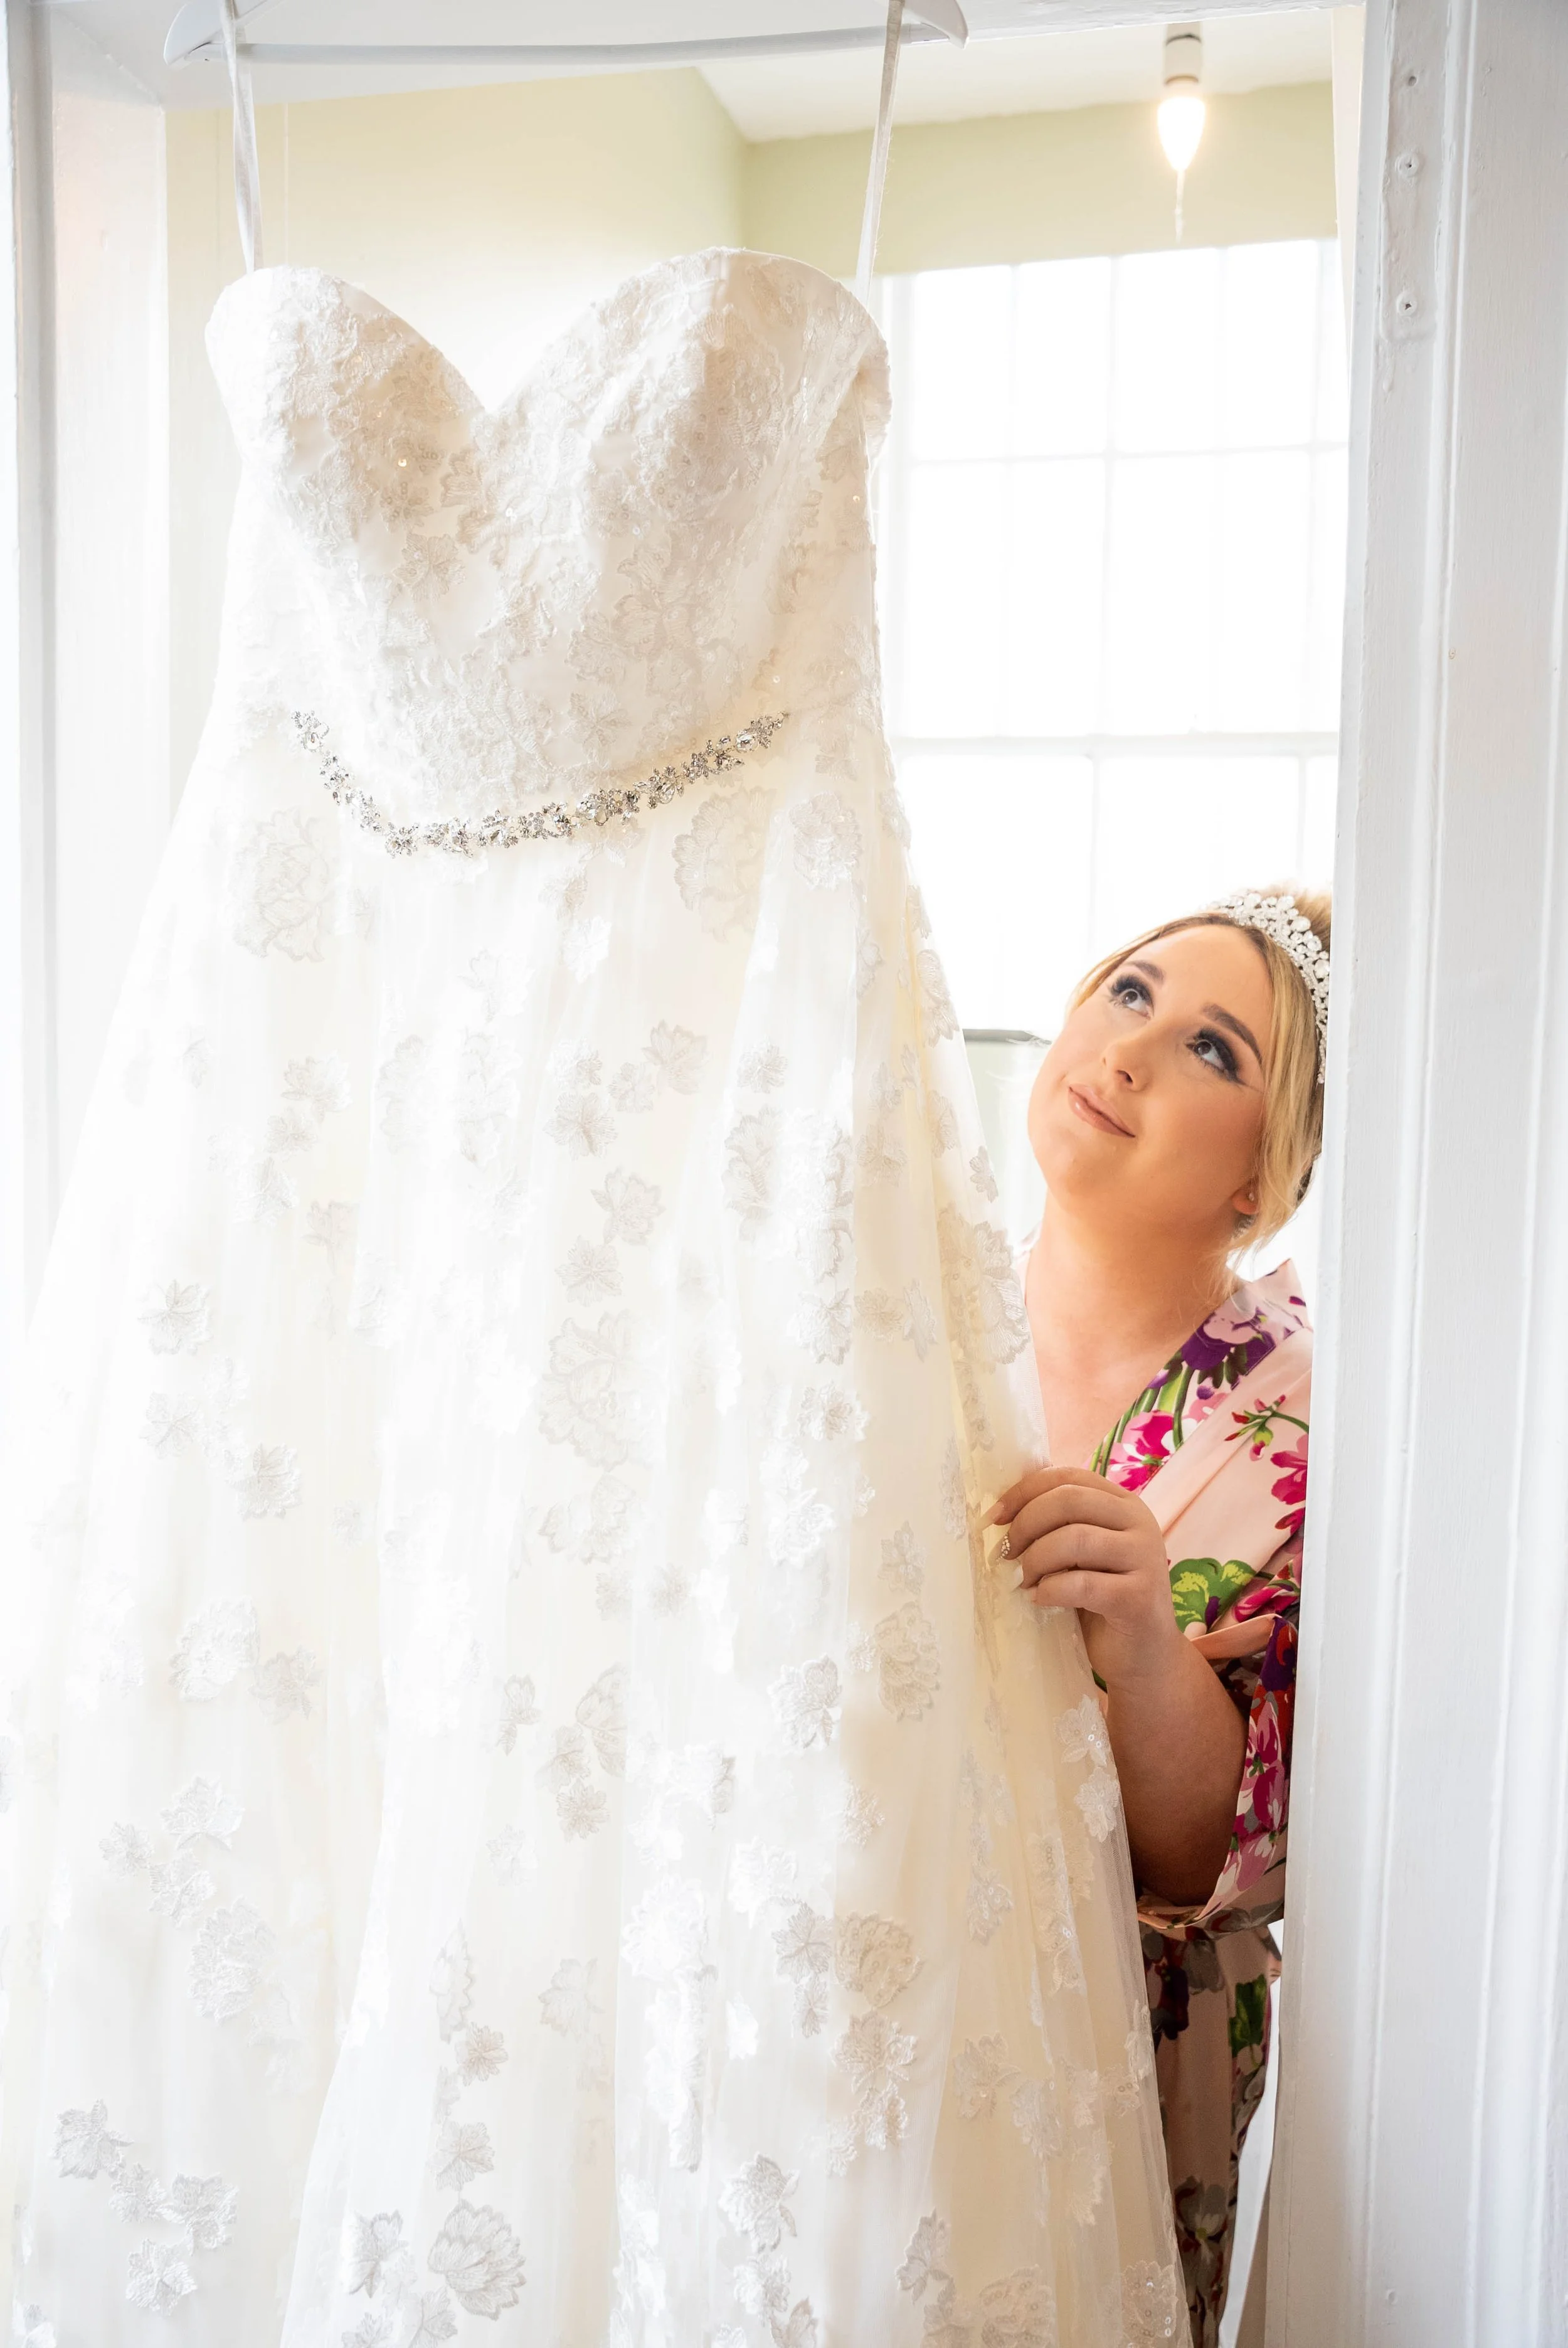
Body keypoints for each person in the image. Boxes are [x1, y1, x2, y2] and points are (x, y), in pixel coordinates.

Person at [988, 886, 1330, 2345]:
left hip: (1113, 2062)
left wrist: (1136, 1631)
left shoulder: (1317, 1423)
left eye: (1212, 1049)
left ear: (1265, 1173)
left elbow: (1212, 1860)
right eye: (1126, 991)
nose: (1128, 1048)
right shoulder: (908, 1315)